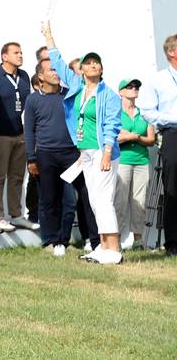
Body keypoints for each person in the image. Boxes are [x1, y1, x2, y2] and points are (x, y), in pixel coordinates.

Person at [42, 22, 123, 264]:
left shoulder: (107, 94)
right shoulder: (77, 87)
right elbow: (57, 63)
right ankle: (102, 246)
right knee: (94, 199)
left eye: (96, 63)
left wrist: (107, 152)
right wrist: (48, 36)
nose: (92, 66)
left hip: (102, 151)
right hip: (86, 152)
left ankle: (114, 249)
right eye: (88, 63)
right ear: (82, 69)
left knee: (104, 199)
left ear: (101, 69)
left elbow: (111, 125)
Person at [25, 57, 85, 256]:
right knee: (48, 199)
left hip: (70, 154)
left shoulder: (68, 95)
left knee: (69, 200)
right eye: (51, 70)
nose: (56, 73)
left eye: (57, 70)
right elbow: (29, 131)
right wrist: (31, 158)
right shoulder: (33, 99)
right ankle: (50, 240)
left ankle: (63, 239)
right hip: (45, 155)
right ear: (40, 76)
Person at [0, 42, 37, 232]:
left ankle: (16, 215)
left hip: (21, 134)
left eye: (21, 52)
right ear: (4, 56)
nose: (20, 56)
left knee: (17, 176)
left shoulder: (24, 76)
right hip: (0, 134)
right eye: (16, 53)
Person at [136, 32, 177, 257]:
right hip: (173, 134)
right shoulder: (158, 79)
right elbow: (147, 111)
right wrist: (171, 119)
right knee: (172, 189)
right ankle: (173, 242)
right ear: (171, 52)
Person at [113, 78, 154, 248]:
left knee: (140, 201)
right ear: (121, 92)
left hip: (142, 162)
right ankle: (115, 240)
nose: (134, 89)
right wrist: (131, 137)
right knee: (120, 201)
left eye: (136, 86)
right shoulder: (115, 113)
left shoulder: (143, 113)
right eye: (129, 87)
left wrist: (132, 136)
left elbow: (151, 139)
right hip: (122, 161)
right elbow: (113, 138)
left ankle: (138, 240)